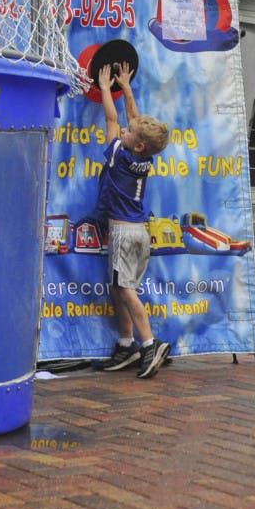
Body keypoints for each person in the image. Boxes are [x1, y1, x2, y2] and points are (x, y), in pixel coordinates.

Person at [94, 61, 171, 379]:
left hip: (125, 235)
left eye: (128, 133)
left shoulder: (119, 155)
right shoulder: (143, 157)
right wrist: (125, 87)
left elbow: (113, 119)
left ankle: (149, 345)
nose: (123, 131)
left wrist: (104, 89)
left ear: (135, 144)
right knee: (119, 287)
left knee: (125, 291)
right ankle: (126, 345)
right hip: (138, 235)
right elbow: (133, 121)